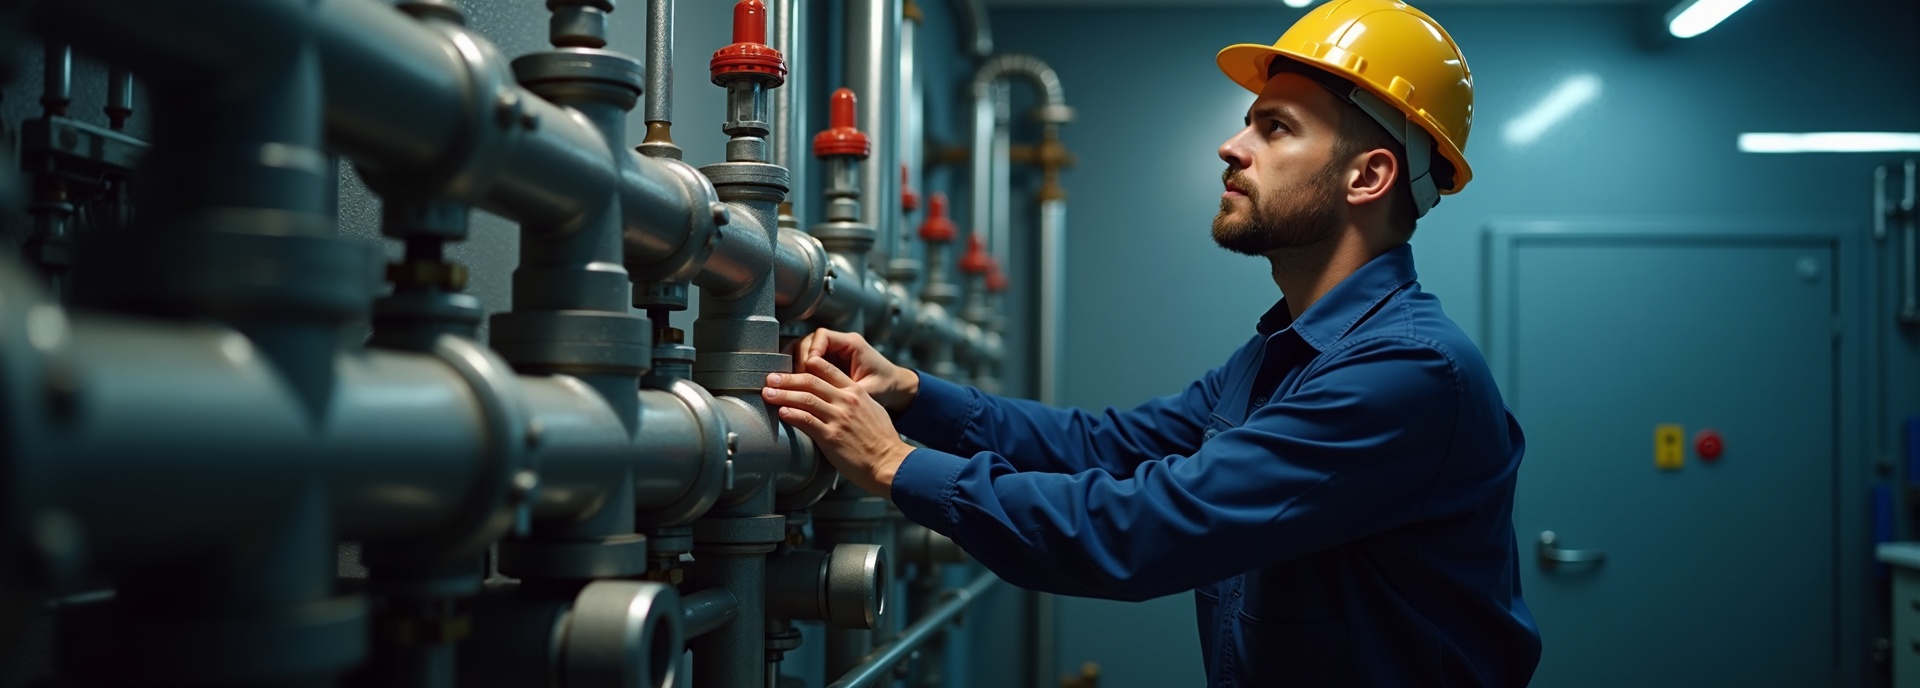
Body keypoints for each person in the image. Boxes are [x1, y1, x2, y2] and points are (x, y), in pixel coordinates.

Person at [761, 1, 1541, 685]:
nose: (1231, 147)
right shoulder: (1285, 355)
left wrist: (895, 464)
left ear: (1366, 178)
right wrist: (916, 396)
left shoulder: (1406, 373)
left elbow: (1141, 530)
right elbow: (1107, 446)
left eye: (1275, 128)